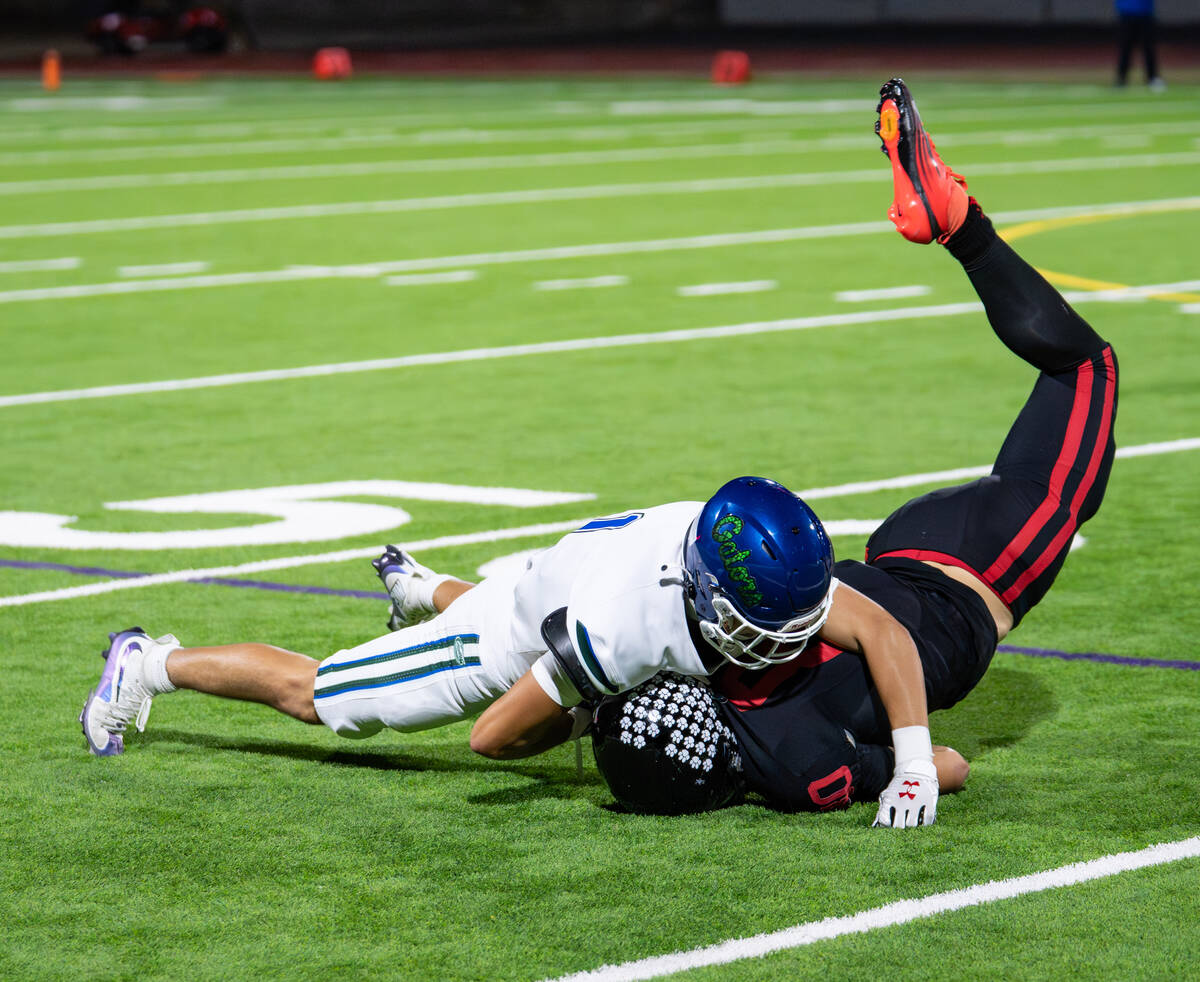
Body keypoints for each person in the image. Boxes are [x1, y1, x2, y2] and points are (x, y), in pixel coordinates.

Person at [79, 78, 1117, 831]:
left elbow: (876, 629)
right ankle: (152, 660)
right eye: (777, 625)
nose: (807, 637)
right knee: (331, 698)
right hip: (555, 605)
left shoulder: (747, 573)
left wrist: (901, 762)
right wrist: (595, 724)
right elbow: (493, 738)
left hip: (584, 570)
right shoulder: (619, 637)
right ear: (710, 611)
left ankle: (429, 588)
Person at [588, 78, 1117, 820]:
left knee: (1085, 373)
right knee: (1079, 382)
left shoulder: (793, 768)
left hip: (966, 577)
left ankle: (962, 224)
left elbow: (948, 762)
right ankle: (963, 229)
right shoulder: (674, 642)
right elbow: (545, 659)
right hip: (909, 560)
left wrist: (907, 766)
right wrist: (434, 595)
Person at [1115, 0, 1166, 91]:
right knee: (1125, 48)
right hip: (1126, 14)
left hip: (1145, 14)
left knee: (1148, 48)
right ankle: (1121, 79)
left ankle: (1152, 78)